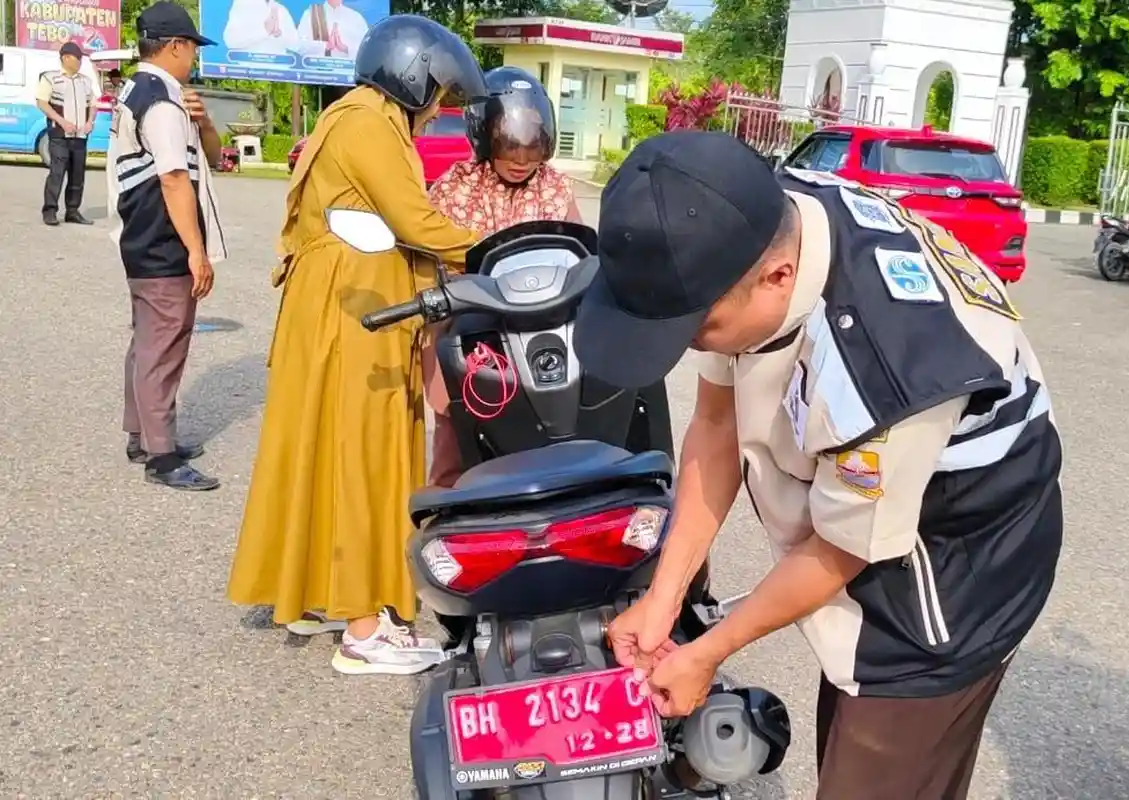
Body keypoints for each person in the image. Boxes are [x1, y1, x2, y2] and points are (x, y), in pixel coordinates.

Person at [574, 131, 1063, 800]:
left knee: (878, 766)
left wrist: (706, 654)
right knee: (847, 715)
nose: (689, 348)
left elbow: (839, 549)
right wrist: (663, 602)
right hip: (873, 508)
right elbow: (716, 425)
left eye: (694, 329)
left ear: (777, 278)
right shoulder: (750, 226)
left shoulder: (885, 371)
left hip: (953, 569)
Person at [226, 15, 485, 675]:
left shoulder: (358, 115)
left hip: (343, 311)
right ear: (412, 76)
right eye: (436, 98)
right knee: (356, 455)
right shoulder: (368, 122)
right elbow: (413, 220)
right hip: (351, 321)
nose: (435, 114)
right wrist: (494, 250)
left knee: (333, 450)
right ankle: (365, 630)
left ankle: (329, 595)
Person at [424, 65, 581, 488]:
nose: (520, 158)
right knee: (453, 451)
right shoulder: (455, 186)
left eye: (532, 144)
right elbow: (433, 265)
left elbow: (582, 258)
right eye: (508, 142)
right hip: (473, 336)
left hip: (540, 333)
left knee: (546, 450)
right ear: (482, 133)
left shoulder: (556, 188)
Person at [111, 2, 226, 491]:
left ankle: (142, 434)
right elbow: (175, 179)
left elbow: (214, 158)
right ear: (175, 46)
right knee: (165, 344)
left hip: (141, 238)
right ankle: (161, 456)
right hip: (163, 242)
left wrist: (202, 123)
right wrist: (196, 252)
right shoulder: (160, 100)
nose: (194, 59)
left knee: (146, 342)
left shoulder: (140, 89)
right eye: (192, 49)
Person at [37, 42, 97, 226]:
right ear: (65, 58)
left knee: (78, 175)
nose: (79, 61)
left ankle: (72, 210)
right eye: (77, 57)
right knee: (57, 173)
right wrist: (62, 121)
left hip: (80, 136)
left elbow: (92, 104)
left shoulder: (85, 81)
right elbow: (42, 102)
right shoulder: (51, 78)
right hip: (59, 135)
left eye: (80, 58)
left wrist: (89, 122)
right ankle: (50, 210)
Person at [222, 0, 300, 55]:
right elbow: (231, 41)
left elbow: (295, 45)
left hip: (278, 72)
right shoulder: (241, 5)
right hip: (248, 72)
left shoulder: (281, 10)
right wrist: (264, 31)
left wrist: (279, 35)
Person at [297, 0, 368, 60]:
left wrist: (346, 49)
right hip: (317, 73)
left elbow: (367, 51)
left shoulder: (356, 18)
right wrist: (325, 46)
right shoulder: (311, 14)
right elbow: (299, 46)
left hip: (348, 73)